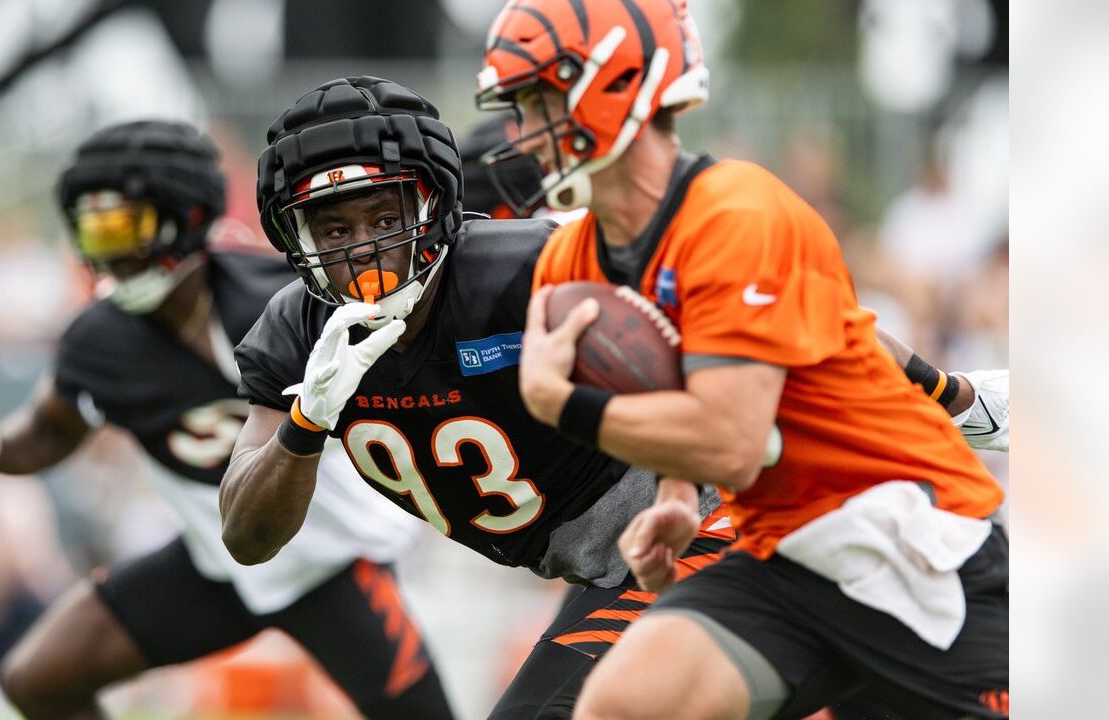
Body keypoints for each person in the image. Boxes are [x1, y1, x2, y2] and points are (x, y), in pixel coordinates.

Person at [476, 1, 1009, 718]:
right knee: (623, 705)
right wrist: (671, 496)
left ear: (613, 86)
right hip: (779, 558)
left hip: (915, 548)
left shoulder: (738, 213)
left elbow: (730, 438)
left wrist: (560, 403)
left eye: (538, 100)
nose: (524, 131)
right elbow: (672, 388)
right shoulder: (571, 258)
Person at [220, 75, 735, 720]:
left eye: (385, 217)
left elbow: (752, 310)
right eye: (335, 230)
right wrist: (305, 422)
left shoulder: (523, 267)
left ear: (432, 207)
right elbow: (246, 536)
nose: (367, 248)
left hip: (707, 522)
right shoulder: (296, 332)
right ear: (298, 239)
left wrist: (903, 378)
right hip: (609, 565)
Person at [0, 120, 454, 720]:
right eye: (93, 232)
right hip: (216, 566)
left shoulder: (280, 297)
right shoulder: (100, 340)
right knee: (36, 679)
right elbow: (50, 431)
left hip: (332, 560)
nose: (108, 253)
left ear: (187, 214)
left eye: (123, 228)